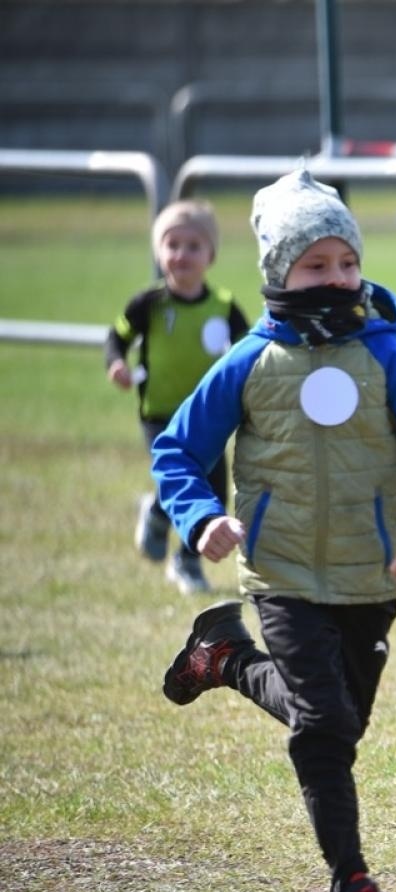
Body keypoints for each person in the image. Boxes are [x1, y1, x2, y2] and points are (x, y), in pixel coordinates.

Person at [151, 168, 396, 892]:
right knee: (324, 726)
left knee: (342, 721)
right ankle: (351, 890)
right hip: (283, 575)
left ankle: (223, 658)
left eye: (346, 264)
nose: (336, 279)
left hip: (373, 574)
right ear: (277, 273)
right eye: (316, 266)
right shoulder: (248, 363)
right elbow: (177, 453)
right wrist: (200, 520)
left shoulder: (387, 356)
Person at [106, 200, 251, 595]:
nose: (181, 254)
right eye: (172, 244)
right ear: (159, 251)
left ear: (211, 254)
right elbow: (116, 338)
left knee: (213, 493)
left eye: (193, 245)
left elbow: (249, 352)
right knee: (180, 476)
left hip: (207, 417)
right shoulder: (149, 304)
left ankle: (183, 555)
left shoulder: (223, 307)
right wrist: (116, 363)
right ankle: (161, 515)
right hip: (160, 413)